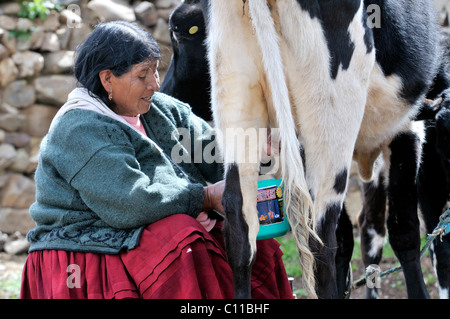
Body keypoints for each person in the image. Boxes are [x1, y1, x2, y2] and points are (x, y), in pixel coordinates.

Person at [20, 21, 293, 299]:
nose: (155, 83)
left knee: (247, 236)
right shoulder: (78, 129)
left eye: (155, 70)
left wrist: (256, 149)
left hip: (151, 230)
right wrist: (207, 197)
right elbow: (132, 202)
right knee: (182, 236)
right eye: (142, 75)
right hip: (86, 248)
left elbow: (211, 150)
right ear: (107, 79)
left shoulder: (159, 109)